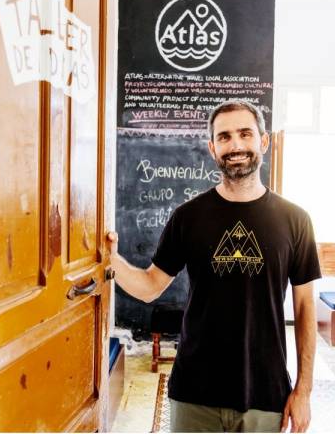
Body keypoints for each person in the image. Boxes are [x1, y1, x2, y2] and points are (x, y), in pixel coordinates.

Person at [106, 100, 320, 433]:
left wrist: (303, 390)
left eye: (245, 134)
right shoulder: (188, 217)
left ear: (264, 141)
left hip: (266, 394)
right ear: (212, 147)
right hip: (195, 394)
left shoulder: (295, 221)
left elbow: (305, 307)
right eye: (224, 137)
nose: (235, 145)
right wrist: (111, 260)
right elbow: (149, 287)